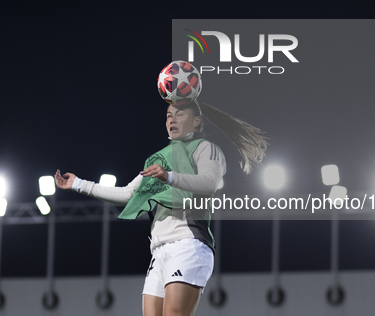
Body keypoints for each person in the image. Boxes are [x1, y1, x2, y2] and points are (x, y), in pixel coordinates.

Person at [55, 100, 266, 316]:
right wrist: (79, 184)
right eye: (168, 115)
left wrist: (170, 177)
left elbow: (209, 182)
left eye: (179, 114)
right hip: (159, 251)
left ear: (196, 121)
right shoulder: (159, 158)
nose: (172, 119)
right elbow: (128, 194)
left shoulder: (206, 148)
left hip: (188, 245)